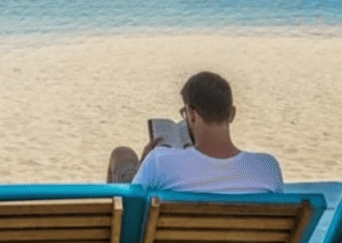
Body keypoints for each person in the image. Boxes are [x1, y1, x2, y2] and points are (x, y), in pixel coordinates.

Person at [107, 71, 283, 193]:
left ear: (191, 114)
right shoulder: (268, 167)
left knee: (122, 155)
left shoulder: (159, 162)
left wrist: (144, 163)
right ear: (232, 114)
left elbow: (133, 207)